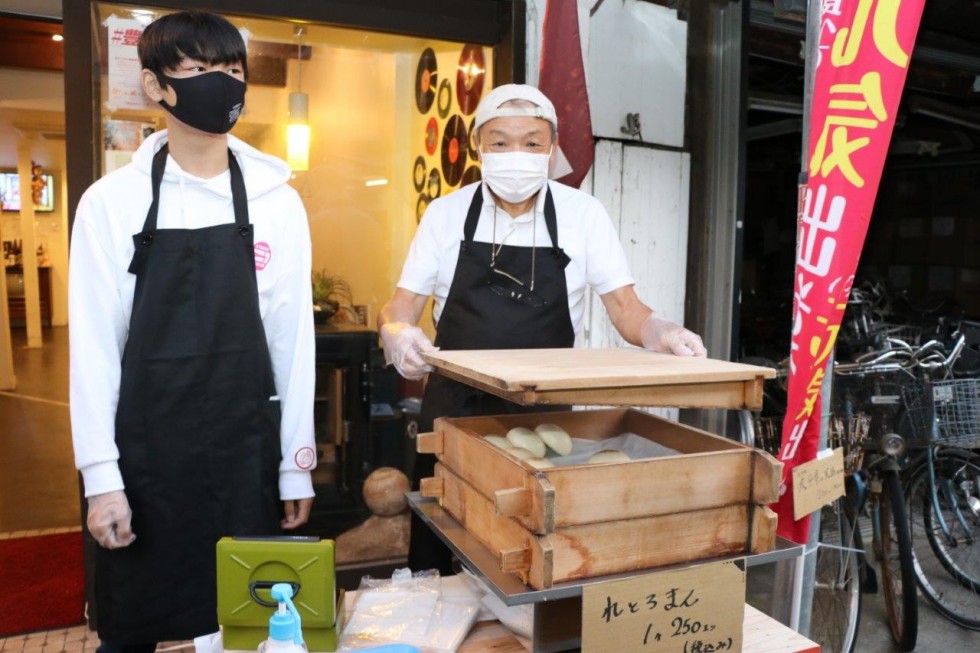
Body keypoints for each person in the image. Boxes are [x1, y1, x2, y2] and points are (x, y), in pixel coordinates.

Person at [377, 84, 707, 574]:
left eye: (532, 142)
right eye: (500, 141)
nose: (517, 154)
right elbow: (399, 307)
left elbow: (626, 308)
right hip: (454, 413)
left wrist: (662, 330)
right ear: (478, 147)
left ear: (552, 150)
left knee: (532, 549)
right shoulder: (445, 214)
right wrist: (397, 334)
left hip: (545, 415)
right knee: (443, 540)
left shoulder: (583, 215)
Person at [68, 11, 316, 651]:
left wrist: (295, 467)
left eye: (233, 70)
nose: (223, 83)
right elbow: (94, 350)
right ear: (155, 87)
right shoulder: (110, 202)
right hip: (144, 459)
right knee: (131, 627)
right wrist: (102, 479)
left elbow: (291, 343)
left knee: (245, 621)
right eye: (201, 68)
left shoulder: (276, 201)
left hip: (242, 455)